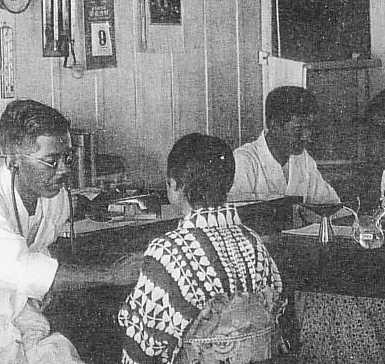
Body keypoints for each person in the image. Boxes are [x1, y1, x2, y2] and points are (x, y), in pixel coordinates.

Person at [0, 100, 137, 363]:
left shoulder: (54, 197)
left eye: (67, 158)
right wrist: (110, 275)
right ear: (13, 160)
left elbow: (41, 246)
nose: (64, 170)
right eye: (52, 161)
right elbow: (19, 268)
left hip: (20, 325)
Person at [118, 133, 283, 364]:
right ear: (228, 183)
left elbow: (141, 345)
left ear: (173, 185)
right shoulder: (254, 242)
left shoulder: (166, 251)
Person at [227, 86, 339, 204]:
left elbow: (331, 204)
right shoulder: (244, 161)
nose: (306, 136)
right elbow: (237, 217)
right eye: (298, 129)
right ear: (274, 125)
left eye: (309, 128)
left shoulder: (304, 160)